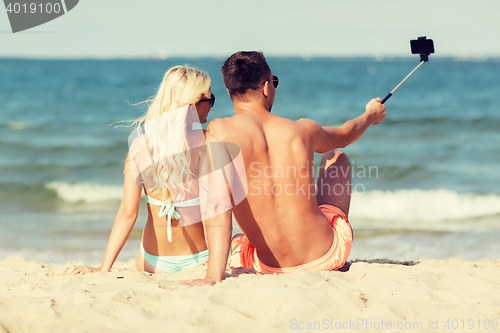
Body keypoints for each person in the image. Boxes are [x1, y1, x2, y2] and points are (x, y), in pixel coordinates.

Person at [206, 51, 386, 273]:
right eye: (274, 82)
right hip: (324, 256)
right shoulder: (302, 130)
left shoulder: (219, 132)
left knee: (242, 241)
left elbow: (218, 204)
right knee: (335, 157)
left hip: (268, 266)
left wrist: (213, 275)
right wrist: (370, 115)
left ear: (228, 91)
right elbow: (345, 134)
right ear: (265, 87)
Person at [66, 65, 232, 285]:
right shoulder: (209, 141)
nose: (211, 107)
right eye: (209, 100)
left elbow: (127, 213)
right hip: (200, 261)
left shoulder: (140, 147)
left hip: (152, 262)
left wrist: (102, 268)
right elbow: (220, 209)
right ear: (192, 104)